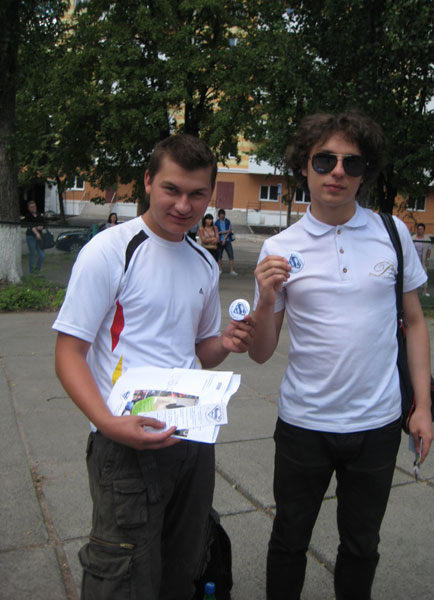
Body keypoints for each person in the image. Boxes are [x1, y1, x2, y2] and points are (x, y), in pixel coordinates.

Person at [52, 134, 254, 600]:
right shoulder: (110, 251)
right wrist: (109, 425)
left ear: (210, 194)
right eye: (171, 190)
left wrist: (225, 343)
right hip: (125, 442)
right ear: (147, 182)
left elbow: (199, 351)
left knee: (181, 569)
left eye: (197, 194)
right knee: (121, 575)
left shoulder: (204, 263)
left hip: (191, 440)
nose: (184, 205)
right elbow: (68, 354)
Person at [249, 111, 433, 600]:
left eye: (351, 163)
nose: (337, 172)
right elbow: (261, 354)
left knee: (362, 545)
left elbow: (415, 323)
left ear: (364, 172)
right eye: (324, 160)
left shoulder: (392, 233)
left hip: (377, 425)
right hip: (304, 424)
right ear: (303, 166)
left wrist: (421, 408)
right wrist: (266, 301)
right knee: (289, 540)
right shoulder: (280, 248)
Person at [25, 199, 45, 274]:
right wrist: (37, 232)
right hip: (31, 236)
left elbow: (43, 223)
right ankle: (32, 271)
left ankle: (37, 269)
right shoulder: (28, 215)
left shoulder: (38, 214)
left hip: (39, 237)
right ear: (28, 208)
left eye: (34, 206)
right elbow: (30, 226)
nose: (33, 208)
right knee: (32, 253)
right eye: (31, 207)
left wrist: (41, 227)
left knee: (41, 255)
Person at [215, 209, 237, 275]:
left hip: (227, 240)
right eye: (221, 214)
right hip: (219, 241)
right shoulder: (216, 222)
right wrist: (226, 231)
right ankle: (219, 269)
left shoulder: (227, 221)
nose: (222, 215)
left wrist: (224, 238)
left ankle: (231, 270)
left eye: (223, 214)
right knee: (219, 256)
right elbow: (217, 232)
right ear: (219, 215)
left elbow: (229, 231)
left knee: (231, 255)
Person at [412, 222, 432, 296]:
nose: (420, 231)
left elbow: (429, 249)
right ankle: (414, 291)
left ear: (424, 230)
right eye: (419, 229)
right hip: (414, 260)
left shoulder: (427, 239)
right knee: (414, 275)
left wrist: (427, 259)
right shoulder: (413, 238)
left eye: (421, 229)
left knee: (424, 274)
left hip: (423, 260)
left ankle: (425, 290)